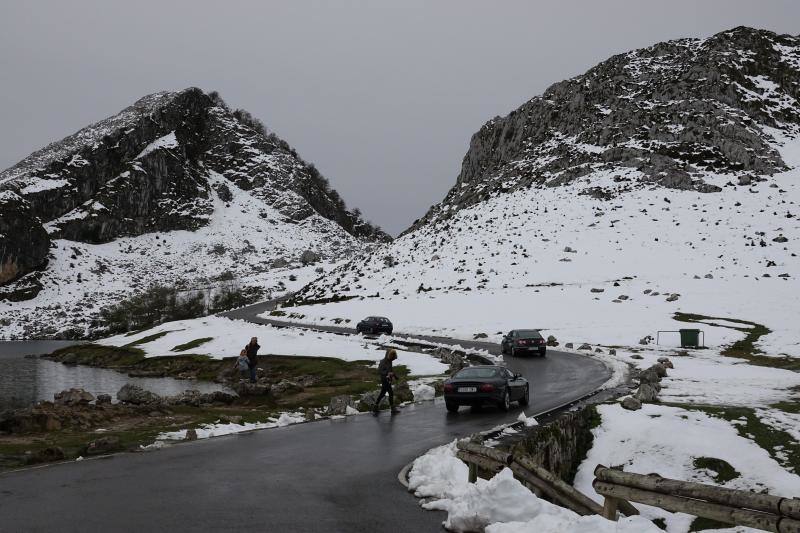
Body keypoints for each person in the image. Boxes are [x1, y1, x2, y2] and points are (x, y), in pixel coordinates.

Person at [373, 348, 399, 414]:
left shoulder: (390, 361)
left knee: (383, 393)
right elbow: (380, 371)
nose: (393, 358)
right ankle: (393, 409)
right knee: (391, 393)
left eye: (393, 356)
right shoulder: (383, 362)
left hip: (388, 379)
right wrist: (387, 373)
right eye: (392, 356)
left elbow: (391, 370)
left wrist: (395, 376)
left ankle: (375, 407)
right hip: (384, 379)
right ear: (388, 354)